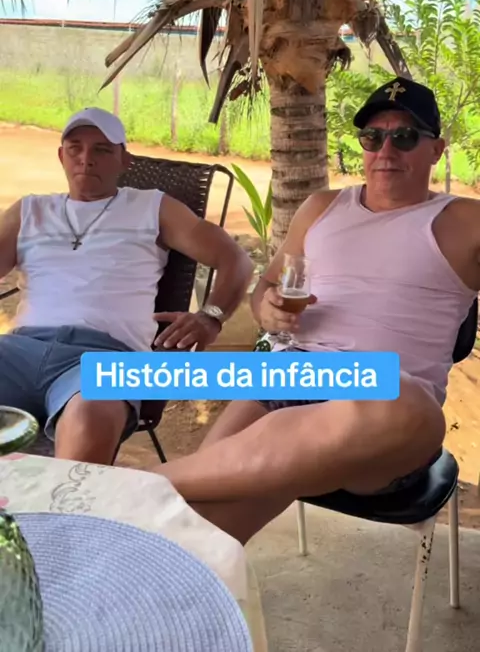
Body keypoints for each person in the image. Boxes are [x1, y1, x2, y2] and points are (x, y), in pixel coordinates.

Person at [152, 78, 480, 545]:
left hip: (385, 416)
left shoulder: (466, 222)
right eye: (373, 137)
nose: (386, 150)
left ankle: (133, 484)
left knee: (402, 399)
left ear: (437, 150)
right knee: (194, 534)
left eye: (405, 137)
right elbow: (268, 287)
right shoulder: (322, 207)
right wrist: (267, 310)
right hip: (292, 379)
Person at [0, 107, 253, 464]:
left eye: (102, 149)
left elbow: (235, 260)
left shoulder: (152, 207)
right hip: (17, 352)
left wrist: (211, 316)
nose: (86, 158)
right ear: (61, 156)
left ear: (124, 161)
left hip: (106, 358)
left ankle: (67, 500)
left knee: (89, 418)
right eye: (75, 148)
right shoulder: (30, 211)